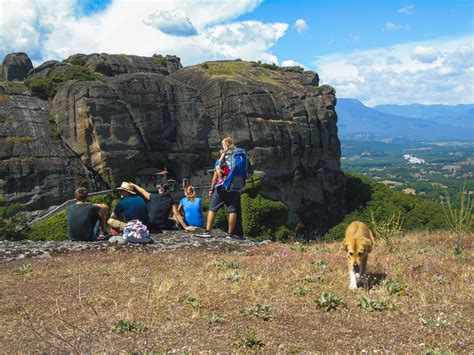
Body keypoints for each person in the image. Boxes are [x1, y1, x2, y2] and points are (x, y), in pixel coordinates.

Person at [197, 137, 243, 239]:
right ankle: (230, 234)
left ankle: (207, 231)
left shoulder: (221, 159)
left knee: (212, 208)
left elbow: (215, 176)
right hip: (235, 187)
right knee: (232, 210)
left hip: (222, 187)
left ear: (224, 145)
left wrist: (211, 189)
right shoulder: (238, 157)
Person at [129, 182, 197, 232]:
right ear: (167, 191)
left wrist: (134, 185)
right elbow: (176, 213)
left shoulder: (152, 196)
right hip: (163, 225)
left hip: (150, 224)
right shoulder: (170, 199)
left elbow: (142, 190)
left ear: (160, 190)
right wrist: (185, 227)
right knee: (173, 221)